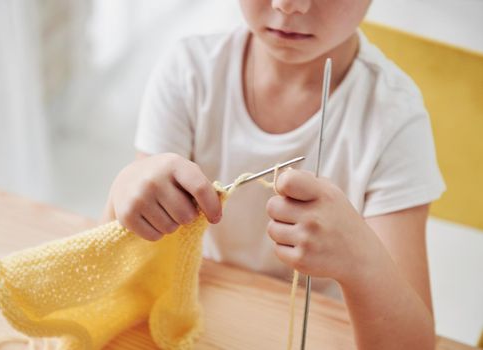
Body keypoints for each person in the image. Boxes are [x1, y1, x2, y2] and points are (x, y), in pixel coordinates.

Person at [103, 1, 445, 348]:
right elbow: (123, 273)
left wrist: (360, 258)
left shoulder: (394, 119)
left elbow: (412, 344)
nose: (288, 4)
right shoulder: (189, 72)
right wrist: (123, 193)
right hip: (207, 314)